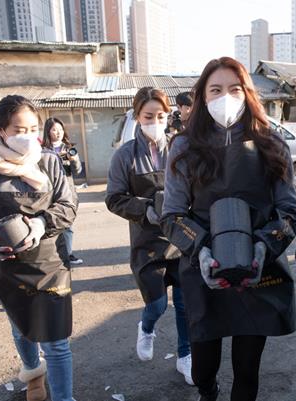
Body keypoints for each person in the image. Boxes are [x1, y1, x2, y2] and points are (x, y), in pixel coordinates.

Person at [161, 56, 296, 401]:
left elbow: (288, 211)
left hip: (258, 268)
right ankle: (208, 391)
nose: (226, 96)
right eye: (216, 89)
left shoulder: (272, 144)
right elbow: (172, 215)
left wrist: (263, 247)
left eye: (234, 89)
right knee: (201, 368)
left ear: (248, 93)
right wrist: (202, 251)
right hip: (203, 267)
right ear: (203, 97)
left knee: (247, 369)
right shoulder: (184, 146)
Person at [0, 95, 77, 401]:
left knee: (57, 342)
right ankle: (32, 370)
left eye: (33, 128)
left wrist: (40, 224)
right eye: (19, 129)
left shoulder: (49, 162)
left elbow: (68, 205)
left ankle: (64, 398)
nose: (28, 137)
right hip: (6, 268)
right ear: (0, 131)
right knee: (21, 328)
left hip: (50, 263)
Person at [105, 87, 193, 385]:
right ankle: (147, 326)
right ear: (137, 116)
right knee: (157, 303)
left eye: (160, 115)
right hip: (146, 242)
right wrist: (146, 209)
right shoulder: (124, 155)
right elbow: (114, 198)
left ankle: (185, 356)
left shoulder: (180, 149)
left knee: (184, 305)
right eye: (148, 116)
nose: (155, 120)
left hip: (180, 240)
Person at [42, 117, 84, 265]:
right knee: (49, 225)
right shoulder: (42, 151)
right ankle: (52, 256)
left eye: (60, 129)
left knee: (67, 225)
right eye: (54, 129)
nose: (58, 133)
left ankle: (68, 254)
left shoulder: (68, 148)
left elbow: (77, 171)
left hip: (67, 193)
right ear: (48, 131)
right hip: (48, 194)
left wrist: (74, 160)